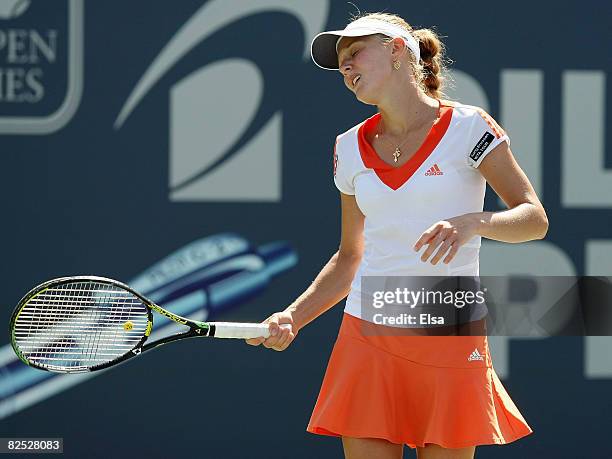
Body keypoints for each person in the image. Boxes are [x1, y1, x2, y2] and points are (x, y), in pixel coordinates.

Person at [246, 12, 548, 459]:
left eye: (354, 54)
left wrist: (474, 222)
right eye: (341, 64)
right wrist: (295, 315)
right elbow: (351, 256)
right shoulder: (347, 148)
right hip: (368, 335)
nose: (345, 68)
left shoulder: (470, 128)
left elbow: (533, 218)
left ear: (396, 50)